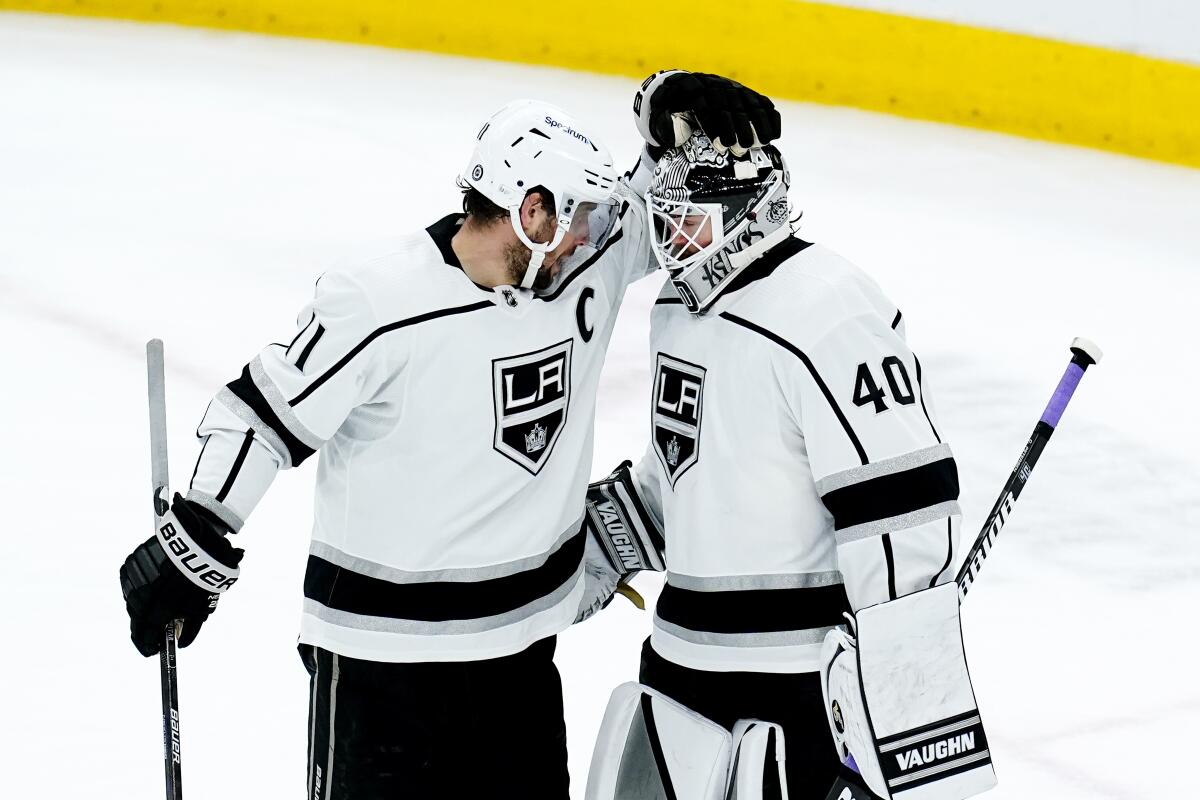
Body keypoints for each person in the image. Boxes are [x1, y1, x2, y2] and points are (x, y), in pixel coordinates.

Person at [118, 73, 780, 800]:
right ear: (533, 211)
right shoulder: (378, 298)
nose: (595, 232)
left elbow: (661, 213)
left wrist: (664, 125)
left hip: (518, 661)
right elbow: (260, 415)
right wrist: (196, 537)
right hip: (379, 671)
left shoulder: (575, 263)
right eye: (579, 215)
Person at [579, 133, 997, 800]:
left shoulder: (829, 307)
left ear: (751, 210)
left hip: (793, 681)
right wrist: (600, 542)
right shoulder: (678, 312)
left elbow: (900, 504)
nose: (669, 241)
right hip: (677, 666)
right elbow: (687, 475)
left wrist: (901, 696)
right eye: (665, 220)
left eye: (688, 220)